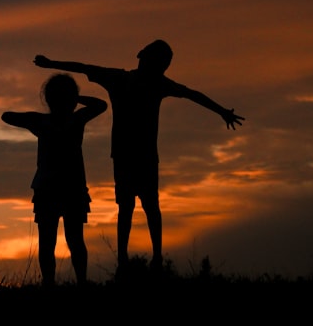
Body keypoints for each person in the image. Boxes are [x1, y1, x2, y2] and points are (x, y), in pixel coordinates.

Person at [34, 40, 245, 272]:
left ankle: (150, 258)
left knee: (144, 206)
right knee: (132, 207)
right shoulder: (124, 79)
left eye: (163, 63)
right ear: (143, 57)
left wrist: (222, 111)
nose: (160, 67)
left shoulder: (149, 83)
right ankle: (128, 259)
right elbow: (85, 67)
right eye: (159, 61)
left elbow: (192, 94)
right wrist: (52, 64)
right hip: (128, 156)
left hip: (140, 156)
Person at [2, 74, 107, 287]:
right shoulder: (75, 119)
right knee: (74, 239)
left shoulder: (43, 122)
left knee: (50, 241)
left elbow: (7, 116)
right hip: (70, 188)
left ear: (48, 99)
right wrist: (77, 99)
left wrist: (33, 119)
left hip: (50, 188)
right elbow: (101, 104)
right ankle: (80, 282)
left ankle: (50, 283)